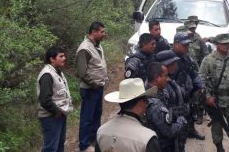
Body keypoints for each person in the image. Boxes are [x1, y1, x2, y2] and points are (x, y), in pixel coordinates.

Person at [199, 34, 229, 152]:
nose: (226, 46)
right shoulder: (208, 60)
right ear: (217, 44)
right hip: (216, 101)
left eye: (228, 43)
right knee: (217, 127)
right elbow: (201, 80)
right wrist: (207, 97)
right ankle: (219, 148)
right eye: (223, 44)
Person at [96, 78, 160, 152]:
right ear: (140, 103)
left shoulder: (101, 131)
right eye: (146, 101)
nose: (146, 104)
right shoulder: (147, 138)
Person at [76, 21, 109, 152]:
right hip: (90, 89)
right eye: (102, 32)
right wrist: (93, 84)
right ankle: (84, 146)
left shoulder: (97, 46)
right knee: (87, 118)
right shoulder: (84, 48)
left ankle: (94, 142)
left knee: (96, 116)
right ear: (94, 32)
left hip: (97, 88)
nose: (104, 34)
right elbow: (81, 72)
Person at [145, 62, 189, 152]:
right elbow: (169, 132)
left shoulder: (159, 91)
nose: (168, 79)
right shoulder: (153, 102)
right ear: (157, 77)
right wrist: (182, 119)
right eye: (165, 76)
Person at [171, 32, 206, 140]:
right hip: (174, 93)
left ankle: (191, 130)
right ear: (176, 44)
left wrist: (201, 86)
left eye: (188, 45)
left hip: (187, 91)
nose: (187, 47)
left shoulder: (186, 58)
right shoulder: (169, 58)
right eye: (184, 45)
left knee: (191, 110)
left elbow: (194, 73)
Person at [37, 46, 73, 152]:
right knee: (51, 147)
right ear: (52, 59)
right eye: (61, 56)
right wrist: (57, 112)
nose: (64, 58)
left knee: (59, 145)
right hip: (51, 116)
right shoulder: (47, 75)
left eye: (64, 56)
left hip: (59, 114)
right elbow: (44, 99)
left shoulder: (57, 71)